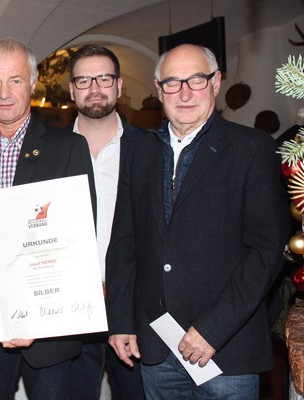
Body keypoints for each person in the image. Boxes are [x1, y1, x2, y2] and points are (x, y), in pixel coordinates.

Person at [105, 43, 291, 399]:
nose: (185, 93)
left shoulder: (252, 149)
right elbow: (125, 242)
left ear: (216, 82)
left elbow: (266, 251)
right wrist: (122, 320)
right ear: (159, 89)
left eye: (196, 80)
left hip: (224, 350)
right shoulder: (138, 152)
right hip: (156, 349)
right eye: (173, 82)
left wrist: (213, 328)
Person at [0, 38, 96, 400]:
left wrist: (40, 316)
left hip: (49, 331)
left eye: (15, 80)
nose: (4, 93)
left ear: (32, 84)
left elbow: (80, 238)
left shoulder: (68, 147)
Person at [67, 44, 145, 400]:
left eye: (104, 78)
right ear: (72, 89)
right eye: (84, 80)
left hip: (133, 302)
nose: (94, 88)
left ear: (119, 85)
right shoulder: (50, 150)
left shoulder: (149, 147)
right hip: (68, 304)